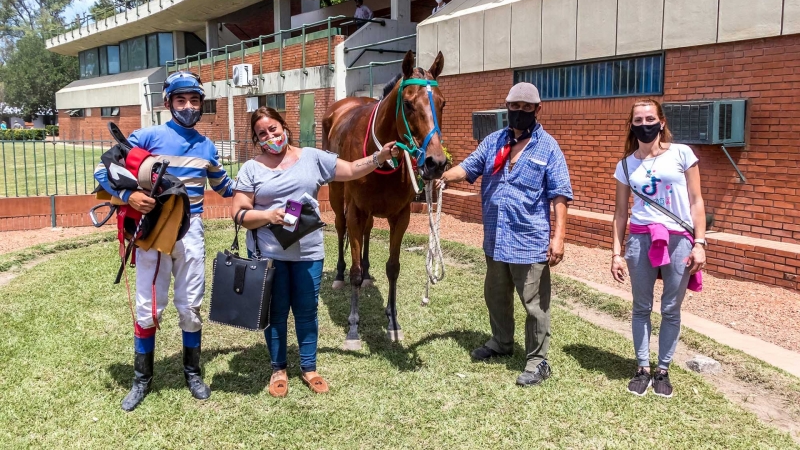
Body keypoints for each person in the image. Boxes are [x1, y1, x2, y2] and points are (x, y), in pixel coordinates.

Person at [232, 107, 399, 398]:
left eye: (273, 129)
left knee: (307, 313)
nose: (270, 136)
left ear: (284, 127)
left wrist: (379, 157)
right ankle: (279, 369)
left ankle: (309, 368)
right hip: (269, 255)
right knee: (276, 312)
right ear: (257, 140)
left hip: (308, 253)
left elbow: (351, 169)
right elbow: (238, 213)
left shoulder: (311, 157)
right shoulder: (251, 169)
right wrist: (270, 216)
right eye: (262, 134)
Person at [94, 71, 234, 411]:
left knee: (190, 305)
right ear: (168, 103)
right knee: (148, 307)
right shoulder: (146, 136)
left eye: (194, 100)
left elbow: (227, 187)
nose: (188, 106)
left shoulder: (207, 146)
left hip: (192, 231)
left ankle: (192, 372)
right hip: (153, 230)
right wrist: (128, 196)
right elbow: (103, 172)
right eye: (181, 100)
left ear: (202, 104)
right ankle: (142, 380)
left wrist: (272, 182)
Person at [437, 82, 572, 387]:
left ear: (538, 110)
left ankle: (538, 361)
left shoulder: (548, 147)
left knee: (534, 304)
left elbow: (560, 195)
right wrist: (444, 177)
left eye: (526, 108)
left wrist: (558, 237)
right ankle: (501, 343)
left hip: (529, 239)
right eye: (515, 107)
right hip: (496, 238)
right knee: (496, 296)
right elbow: (469, 167)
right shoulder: (494, 141)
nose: (520, 112)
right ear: (507, 107)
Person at [611, 99, 706, 398]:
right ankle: (642, 367)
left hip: (679, 240)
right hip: (640, 239)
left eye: (649, 119)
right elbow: (620, 213)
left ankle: (662, 369)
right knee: (641, 307)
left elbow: (696, 201)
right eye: (637, 120)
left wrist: (700, 243)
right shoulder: (626, 164)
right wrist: (616, 252)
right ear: (631, 125)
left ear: (661, 122)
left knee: (670, 309)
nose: (644, 125)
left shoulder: (682, 154)